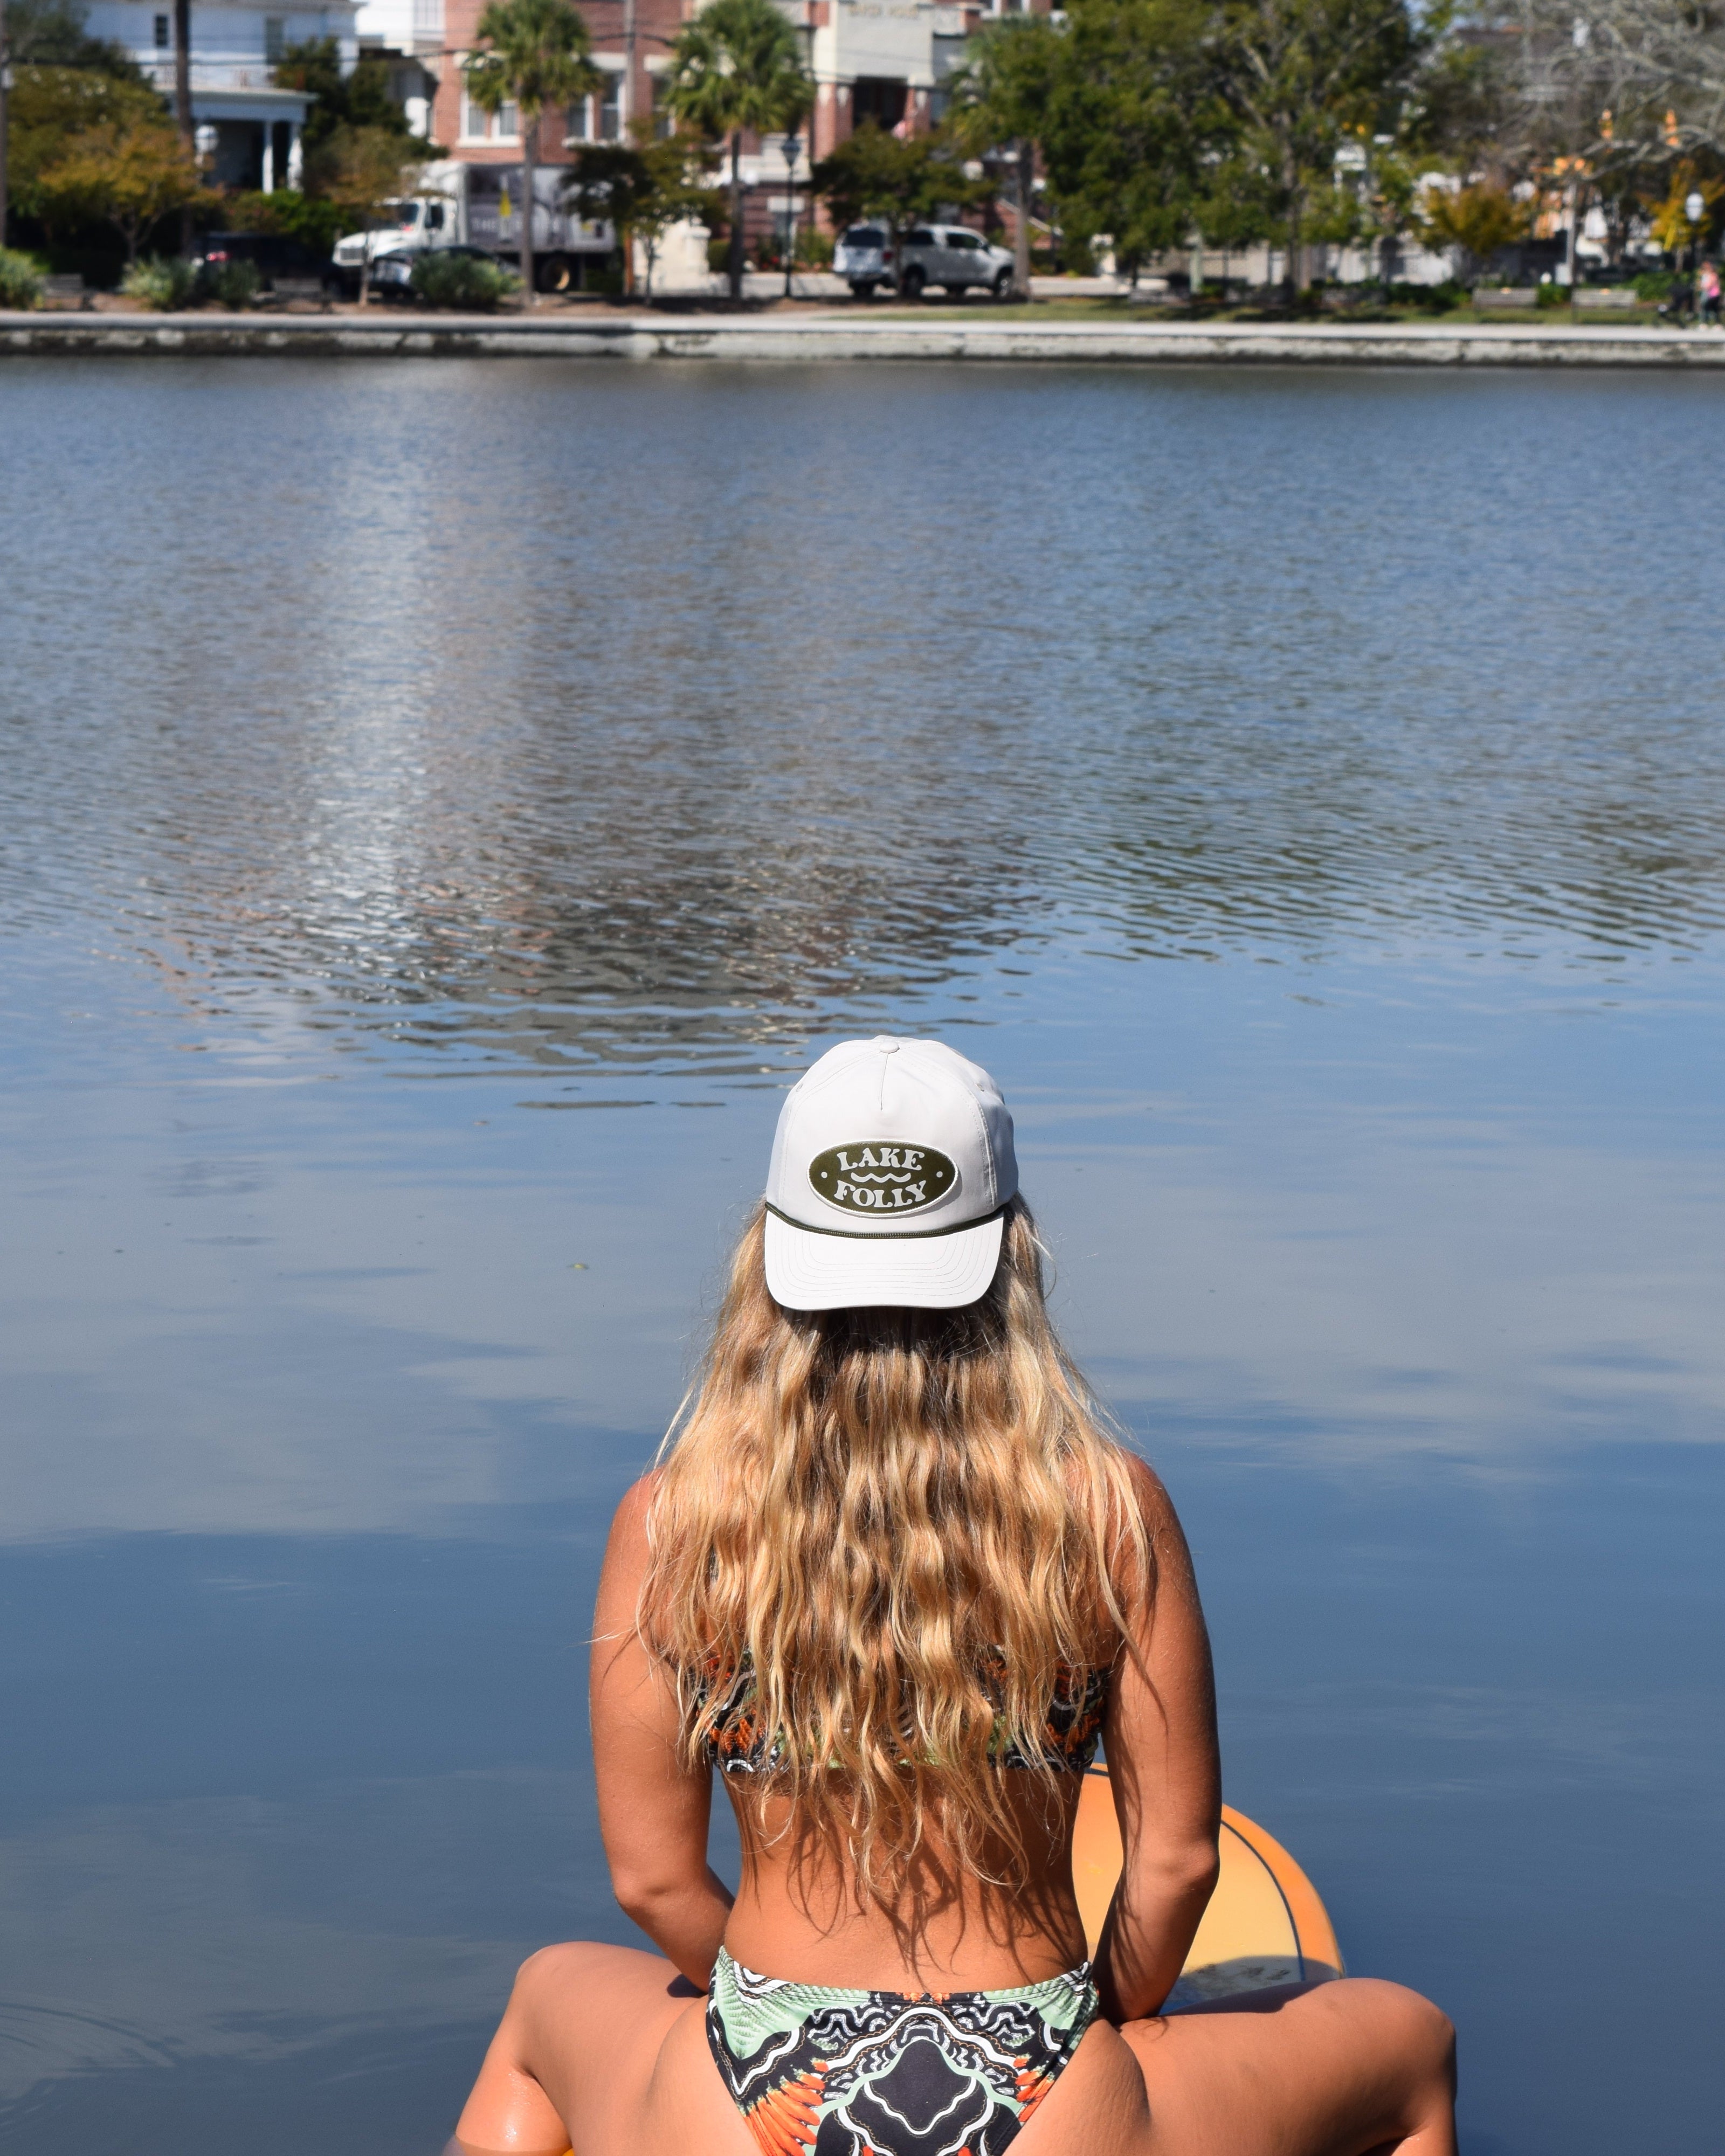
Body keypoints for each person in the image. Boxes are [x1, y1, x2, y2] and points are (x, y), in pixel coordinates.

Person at [452, 1036, 1456, 2156]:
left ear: (771, 1253)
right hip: (1044, 2085)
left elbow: (651, 1878)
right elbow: (1174, 1862)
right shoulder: (1109, 1508)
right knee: (1412, 2046)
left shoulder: (674, 1518)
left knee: (549, 1993)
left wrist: (793, 2021)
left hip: (748, 2089)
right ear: (1009, 1254)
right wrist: (1103, 2037)